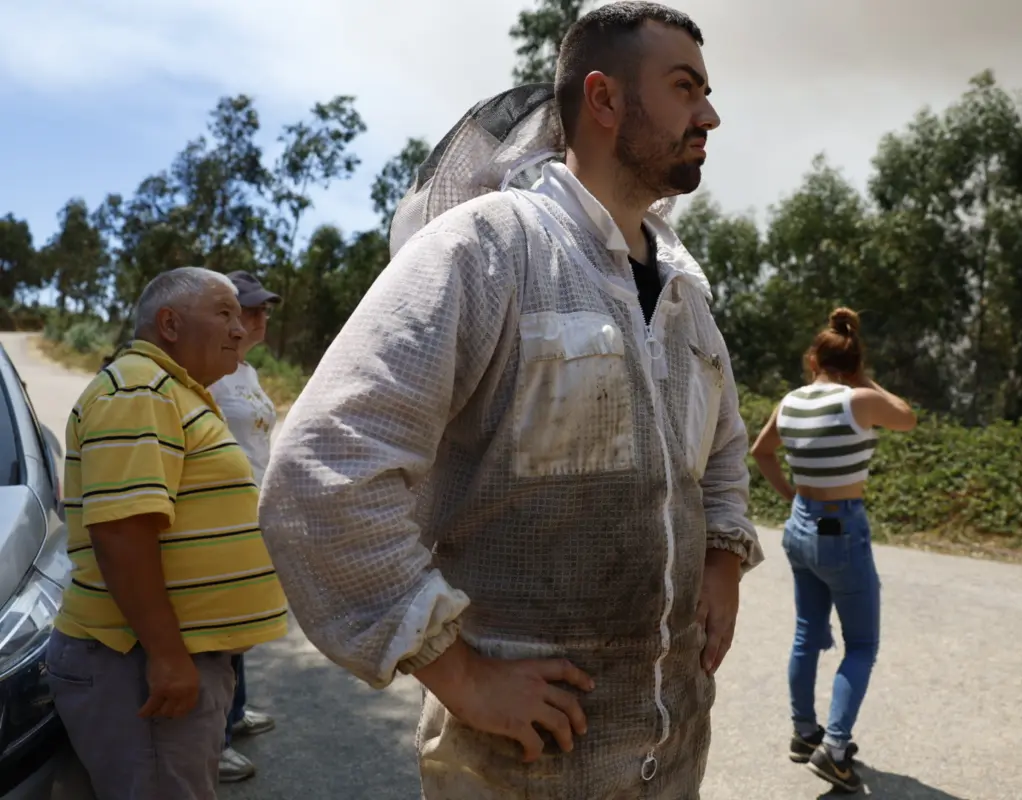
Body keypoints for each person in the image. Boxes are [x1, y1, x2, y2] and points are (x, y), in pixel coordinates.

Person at [256, 3, 761, 798]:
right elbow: (325, 467)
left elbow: (724, 448)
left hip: (671, 753)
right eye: (684, 87)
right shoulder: (485, 250)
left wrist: (723, 559)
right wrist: (458, 673)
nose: (710, 114)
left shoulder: (683, 294)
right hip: (517, 771)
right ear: (602, 100)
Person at [47, 266, 289, 800]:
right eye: (223, 313)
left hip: (155, 656)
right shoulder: (140, 390)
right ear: (170, 324)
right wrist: (167, 656)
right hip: (135, 659)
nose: (239, 329)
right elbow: (123, 533)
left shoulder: (173, 390)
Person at [750, 307, 916, 794]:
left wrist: (790, 494)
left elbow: (761, 451)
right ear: (856, 362)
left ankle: (805, 733)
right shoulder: (859, 400)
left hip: (801, 523)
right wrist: (867, 380)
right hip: (841, 527)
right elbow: (906, 418)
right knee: (861, 644)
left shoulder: (792, 401)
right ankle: (835, 747)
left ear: (813, 359)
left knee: (807, 633)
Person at [207, 270, 283, 783]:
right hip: (221, 513)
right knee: (221, 628)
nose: (259, 318)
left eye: (262, 309)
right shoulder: (209, 371)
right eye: (248, 309)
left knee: (241, 622)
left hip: (253, 508)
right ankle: (213, 742)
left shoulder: (247, 373)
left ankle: (236, 711)